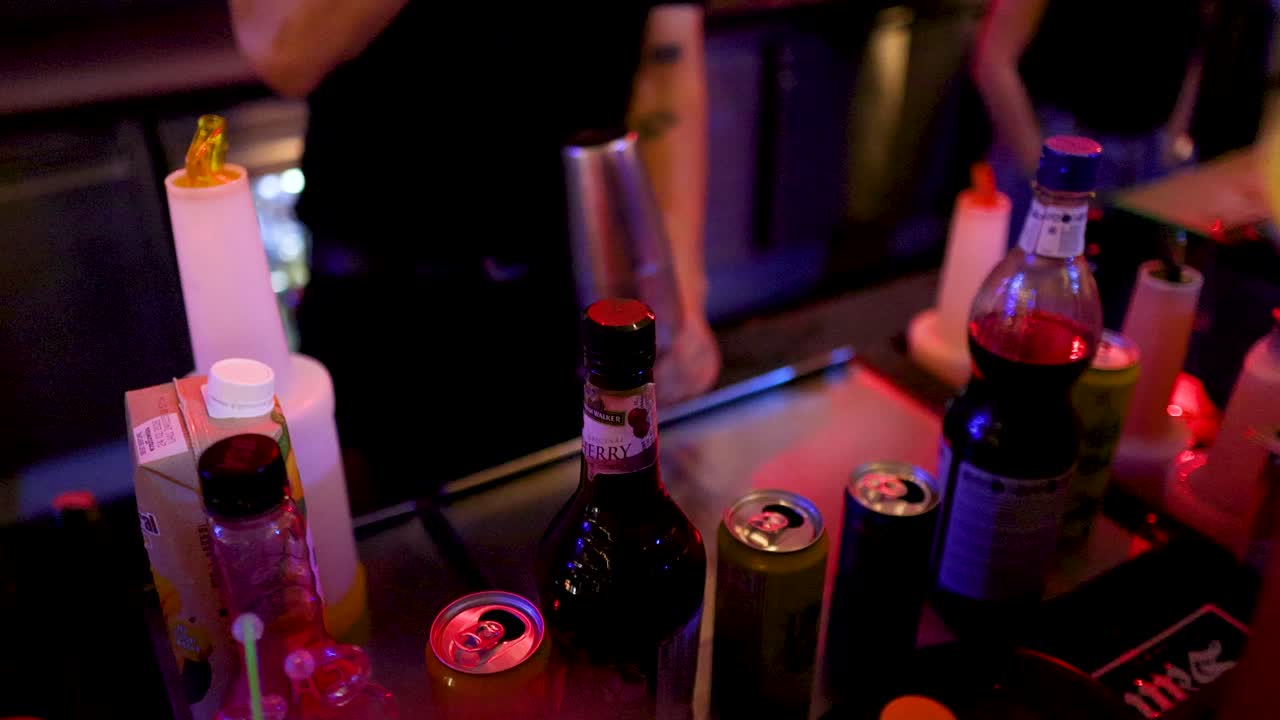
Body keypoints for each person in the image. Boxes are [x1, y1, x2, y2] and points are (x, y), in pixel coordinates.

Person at [229, 2, 720, 502]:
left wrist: (678, 285)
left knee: (571, 531)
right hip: (384, 317)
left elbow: (666, 67)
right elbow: (283, 52)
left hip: (568, 298)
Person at [971, 0, 1205, 241]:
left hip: (1152, 154)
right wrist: (1038, 164)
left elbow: (1193, 44)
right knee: (1029, 272)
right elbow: (994, 58)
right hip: (1058, 144)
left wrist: (1174, 138)